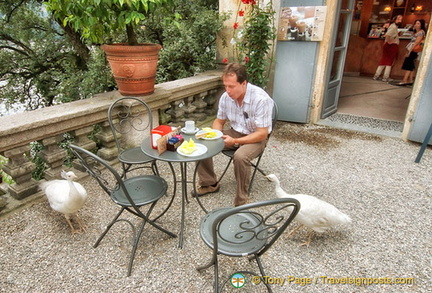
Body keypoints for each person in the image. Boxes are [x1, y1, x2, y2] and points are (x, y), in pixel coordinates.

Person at [192, 63, 274, 206]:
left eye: (231, 86)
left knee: (240, 156)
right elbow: (219, 121)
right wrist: (215, 135)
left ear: (243, 83)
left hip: (256, 137)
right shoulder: (225, 97)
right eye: (225, 86)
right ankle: (209, 183)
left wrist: (235, 141)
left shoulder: (261, 99)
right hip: (235, 132)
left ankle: (241, 200)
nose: (227, 91)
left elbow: (262, 134)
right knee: (202, 141)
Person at [373, 15, 403, 82]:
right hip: (391, 46)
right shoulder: (393, 27)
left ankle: (377, 75)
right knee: (389, 62)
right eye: (398, 19)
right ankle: (385, 77)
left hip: (389, 45)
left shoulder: (393, 27)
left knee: (384, 61)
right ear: (395, 19)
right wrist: (390, 42)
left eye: (401, 19)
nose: (400, 21)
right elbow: (387, 35)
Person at [398, 19, 426, 86]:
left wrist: (409, 51)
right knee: (411, 65)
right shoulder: (416, 32)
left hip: (414, 50)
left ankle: (404, 80)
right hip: (412, 49)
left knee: (408, 65)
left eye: (418, 23)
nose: (416, 25)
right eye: (416, 23)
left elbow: (416, 43)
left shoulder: (421, 32)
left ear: (421, 25)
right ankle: (410, 79)